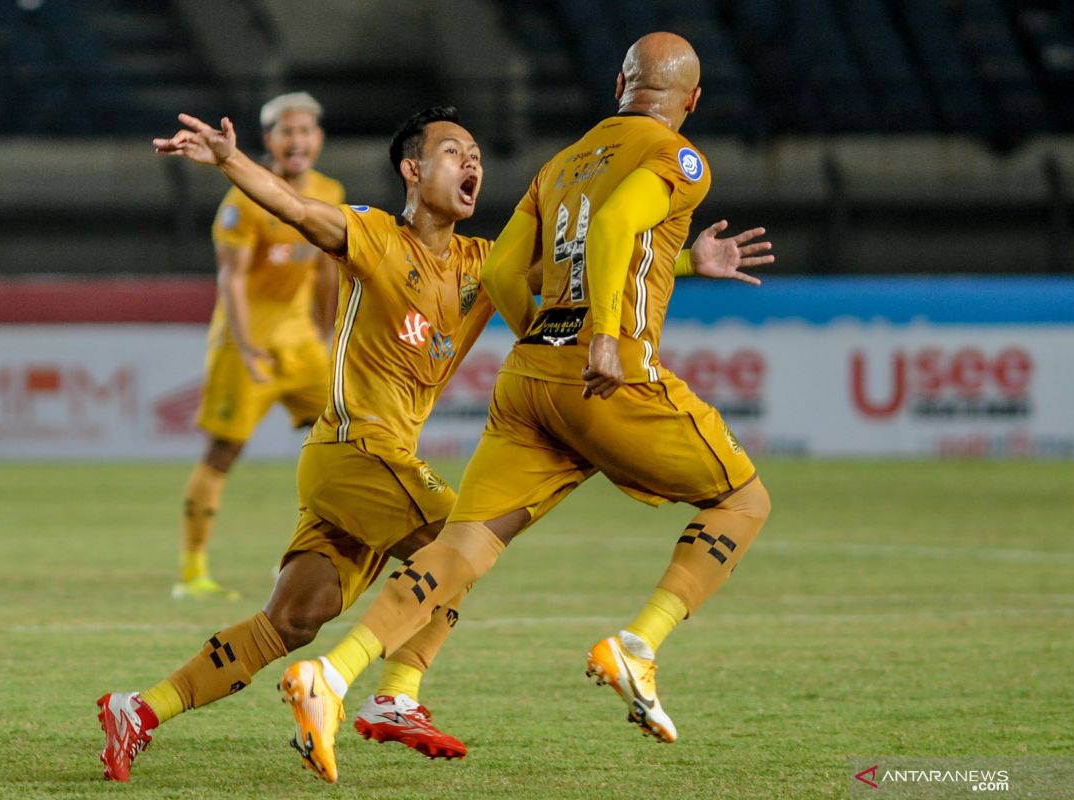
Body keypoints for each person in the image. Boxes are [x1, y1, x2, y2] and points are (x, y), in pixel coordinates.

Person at [280, 31, 775, 784]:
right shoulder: (680, 157)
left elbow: (507, 269)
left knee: (460, 550)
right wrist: (601, 337)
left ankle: (335, 676)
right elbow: (612, 228)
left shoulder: (563, 163)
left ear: (620, 83)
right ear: (693, 100)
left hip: (531, 379)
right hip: (609, 378)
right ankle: (637, 647)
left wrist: (563, 331)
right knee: (743, 499)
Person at [96, 105, 528, 782]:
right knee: (463, 538)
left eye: (475, 153)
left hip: (352, 465)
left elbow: (570, 279)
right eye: (452, 151)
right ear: (412, 171)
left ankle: (139, 710)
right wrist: (231, 162)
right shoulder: (375, 236)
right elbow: (295, 207)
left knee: (292, 621)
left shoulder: (485, 265)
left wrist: (683, 260)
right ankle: (395, 696)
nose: (471, 161)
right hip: (360, 450)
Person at [175, 91, 341, 601]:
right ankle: (193, 571)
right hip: (245, 345)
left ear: (318, 139)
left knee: (342, 437)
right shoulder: (242, 199)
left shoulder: (329, 191)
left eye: (306, 130)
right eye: (287, 131)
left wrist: (328, 331)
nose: (298, 140)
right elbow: (233, 280)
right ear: (268, 140)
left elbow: (326, 267)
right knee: (225, 450)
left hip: (301, 345)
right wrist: (247, 348)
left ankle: (303, 557)